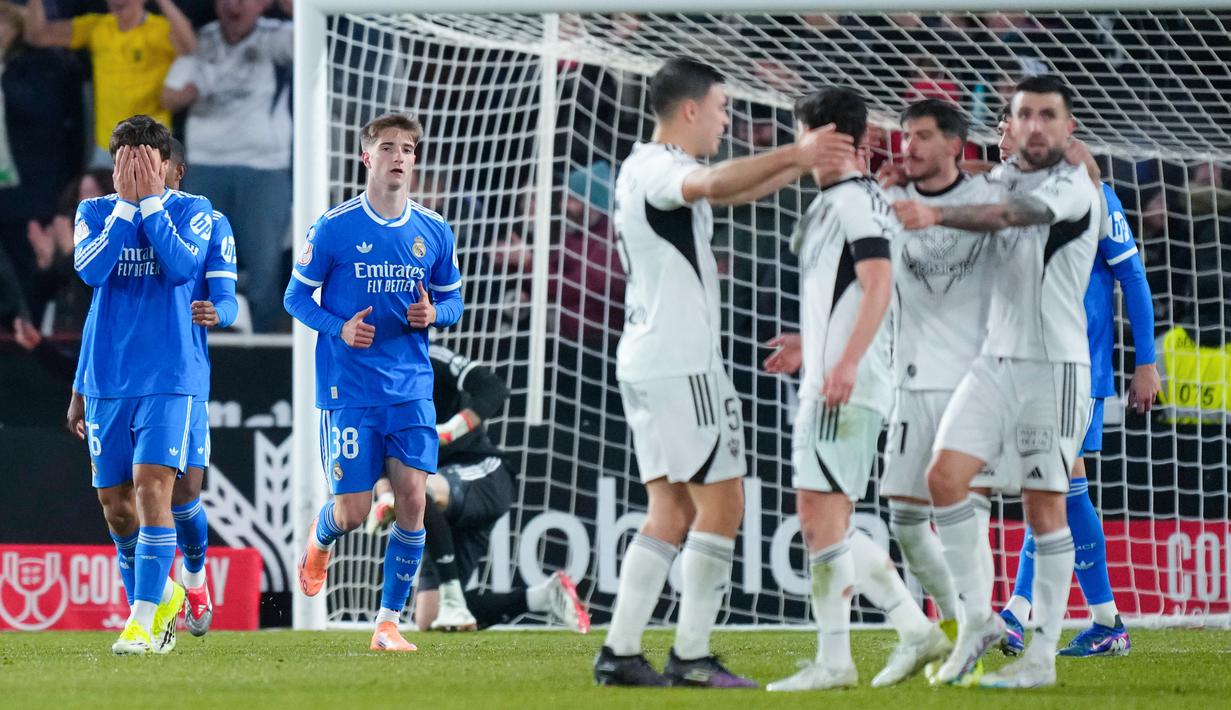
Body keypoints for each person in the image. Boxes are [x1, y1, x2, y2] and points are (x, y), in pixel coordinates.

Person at [593, 56, 851, 688]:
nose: (725, 118)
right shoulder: (662, 169)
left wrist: (797, 163)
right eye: (721, 107)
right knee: (724, 501)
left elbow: (728, 187)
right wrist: (798, 152)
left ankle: (622, 651)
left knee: (671, 509)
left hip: (650, 358)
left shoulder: (641, 167)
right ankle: (691, 655)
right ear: (689, 110)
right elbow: (712, 185)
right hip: (682, 364)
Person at [893, 75, 1102, 688]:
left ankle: (1040, 660)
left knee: (1044, 507)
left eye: (1048, 116)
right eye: (1024, 115)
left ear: (1069, 128)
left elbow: (1014, 214)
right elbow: (976, 187)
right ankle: (981, 620)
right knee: (945, 479)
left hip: (1052, 368)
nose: (1036, 125)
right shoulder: (1002, 175)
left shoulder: (1073, 186)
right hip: (994, 363)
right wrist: (900, 181)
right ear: (1008, 124)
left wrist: (935, 212)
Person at [763, 88, 948, 692]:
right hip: (834, 375)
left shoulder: (854, 202)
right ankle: (903, 634)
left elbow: (877, 285)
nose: (797, 147)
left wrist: (842, 363)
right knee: (827, 523)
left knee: (821, 521)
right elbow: (847, 295)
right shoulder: (840, 201)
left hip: (846, 385)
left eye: (802, 134)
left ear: (831, 137)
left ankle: (847, 656)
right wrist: (808, 345)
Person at [284, 111, 464, 652]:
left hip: (410, 388)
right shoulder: (335, 228)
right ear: (367, 158)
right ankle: (320, 540)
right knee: (355, 512)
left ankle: (387, 623)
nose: (399, 157)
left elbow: (453, 301)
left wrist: (434, 315)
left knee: (412, 500)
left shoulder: (433, 231)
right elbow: (295, 298)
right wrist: (339, 327)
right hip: (349, 391)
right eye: (388, 147)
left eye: (407, 148)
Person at [995, 112, 1160, 658]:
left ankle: (1018, 615)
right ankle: (1105, 620)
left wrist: (1147, 363)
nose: (1000, 139)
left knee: (1051, 486)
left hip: (1076, 368)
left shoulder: (1092, 197)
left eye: (1007, 129)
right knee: (1059, 490)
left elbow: (1132, 276)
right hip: (1028, 367)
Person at [66, 138, 237, 637]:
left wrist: (218, 313)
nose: (135, 169)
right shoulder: (95, 212)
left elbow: (196, 276)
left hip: (174, 377)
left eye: (146, 161)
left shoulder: (200, 214)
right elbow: (93, 279)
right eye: (125, 160)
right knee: (118, 511)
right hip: (107, 379)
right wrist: (125, 204)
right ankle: (164, 597)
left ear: (171, 168)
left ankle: (164, 602)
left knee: (173, 492)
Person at [365, 344, 590, 634]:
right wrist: (385, 496)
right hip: (438, 505)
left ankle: (453, 599)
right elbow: (379, 451)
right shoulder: (367, 384)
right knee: (428, 619)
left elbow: (493, 387)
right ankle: (544, 596)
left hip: (483, 472)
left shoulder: (427, 357)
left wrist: (450, 431)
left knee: (421, 491)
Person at [162, 0, 293, 332]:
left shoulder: (277, 37)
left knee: (265, 265)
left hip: (263, 169)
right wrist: (190, 92)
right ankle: (197, 339)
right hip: (205, 167)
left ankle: (266, 346)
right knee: (197, 261)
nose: (233, 6)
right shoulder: (199, 40)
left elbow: (316, 38)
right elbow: (168, 97)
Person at [25, 0, 196, 166]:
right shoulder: (96, 27)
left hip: (151, 147)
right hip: (108, 148)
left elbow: (191, 49)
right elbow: (38, 36)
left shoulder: (161, 29)